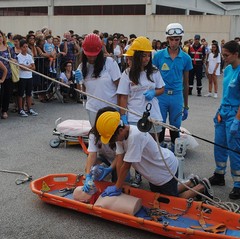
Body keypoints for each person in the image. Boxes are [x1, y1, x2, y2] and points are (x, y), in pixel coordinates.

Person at [93, 109, 213, 199]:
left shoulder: (135, 136)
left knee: (173, 200)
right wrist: (117, 184)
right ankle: (192, 182)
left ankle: (202, 186)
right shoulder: (121, 136)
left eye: (113, 138)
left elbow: (126, 165)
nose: (113, 142)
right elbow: (119, 159)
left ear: (120, 130)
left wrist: (118, 186)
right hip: (154, 173)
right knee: (161, 195)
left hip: (164, 170)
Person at [117, 36, 165, 188]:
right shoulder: (127, 73)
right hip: (134, 116)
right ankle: (137, 175)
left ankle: (153, 176)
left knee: (151, 147)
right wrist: (123, 115)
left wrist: (154, 93)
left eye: (148, 55)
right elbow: (123, 96)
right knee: (134, 147)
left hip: (153, 115)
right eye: (143, 55)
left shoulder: (155, 71)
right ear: (136, 56)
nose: (146, 58)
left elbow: (161, 88)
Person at [208, 40, 240, 200]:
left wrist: (237, 120)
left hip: (236, 114)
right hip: (224, 111)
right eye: (223, 55)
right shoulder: (228, 70)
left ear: (236, 54)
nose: (224, 58)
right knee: (219, 144)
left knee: (234, 149)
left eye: (227, 55)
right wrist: (219, 111)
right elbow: (226, 93)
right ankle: (219, 174)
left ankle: (238, 184)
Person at [152, 23, 193, 147]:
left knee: (175, 126)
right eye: (171, 39)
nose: (174, 42)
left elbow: (186, 83)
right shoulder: (158, 56)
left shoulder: (186, 58)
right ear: (167, 39)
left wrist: (186, 106)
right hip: (161, 95)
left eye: (176, 39)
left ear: (180, 39)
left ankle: (176, 156)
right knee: (160, 125)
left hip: (176, 96)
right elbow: (152, 78)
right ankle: (158, 154)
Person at [75, 33, 121, 127]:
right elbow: (83, 92)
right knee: (97, 138)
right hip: (93, 109)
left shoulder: (110, 63)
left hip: (110, 109)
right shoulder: (82, 67)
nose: (92, 58)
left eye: (94, 55)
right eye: (89, 55)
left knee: (112, 139)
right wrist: (78, 81)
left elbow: (120, 88)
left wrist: (122, 111)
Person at [17, 39, 38, 117]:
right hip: (22, 77)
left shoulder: (29, 56)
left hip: (29, 77)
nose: (25, 48)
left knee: (29, 94)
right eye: (23, 47)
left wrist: (27, 67)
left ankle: (29, 108)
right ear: (21, 48)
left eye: (26, 47)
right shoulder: (18, 56)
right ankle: (20, 109)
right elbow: (21, 67)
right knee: (21, 94)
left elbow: (34, 67)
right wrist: (28, 67)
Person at [0, 30, 17, 119]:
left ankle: (4, 110)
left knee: (7, 93)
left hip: (8, 74)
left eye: (0, 36)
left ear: (3, 37)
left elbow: (15, 59)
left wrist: (12, 60)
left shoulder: (8, 48)